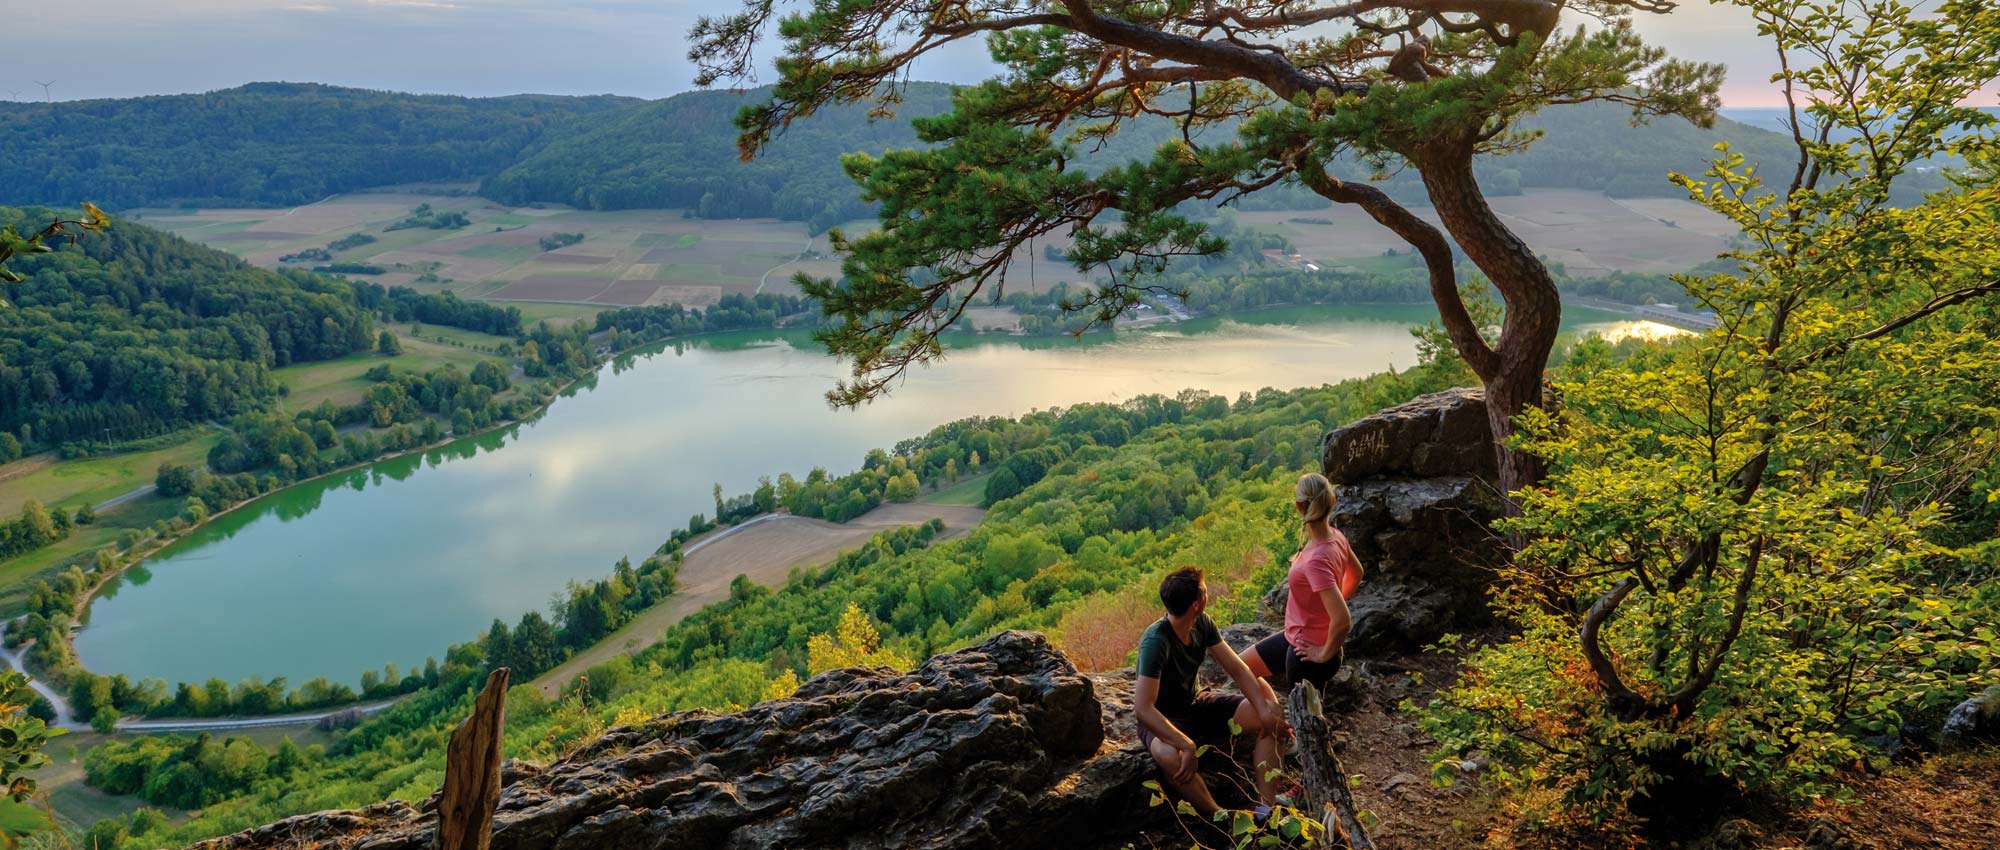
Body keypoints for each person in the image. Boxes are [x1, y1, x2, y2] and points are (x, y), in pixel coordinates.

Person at [1134, 566, 1288, 814]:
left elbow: (1237, 669)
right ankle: (1219, 816)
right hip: (1163, 718)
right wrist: (1185, 745)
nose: (1207, 593)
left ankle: (1265, 809)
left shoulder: (1202, 623)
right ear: (1196, 603)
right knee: (1169, 756)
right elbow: (1143, 709)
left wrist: (1263, 709)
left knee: (1272, 714)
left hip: (1196, 704)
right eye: (1204, 591)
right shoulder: (1156, 641)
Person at [1241, 472, 1361, 694]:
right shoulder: (1335, 536)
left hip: (1306, 655)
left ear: (1299, 506)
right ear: (1332, 501)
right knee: (1241, 667)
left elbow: (1342, 620)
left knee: (1306, 720)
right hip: (1296, 639)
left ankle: (1286, 727)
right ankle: (1272, 719)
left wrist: (1324, 652)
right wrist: (1331, 605)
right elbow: (1356, 572)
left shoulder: (1316, 559)